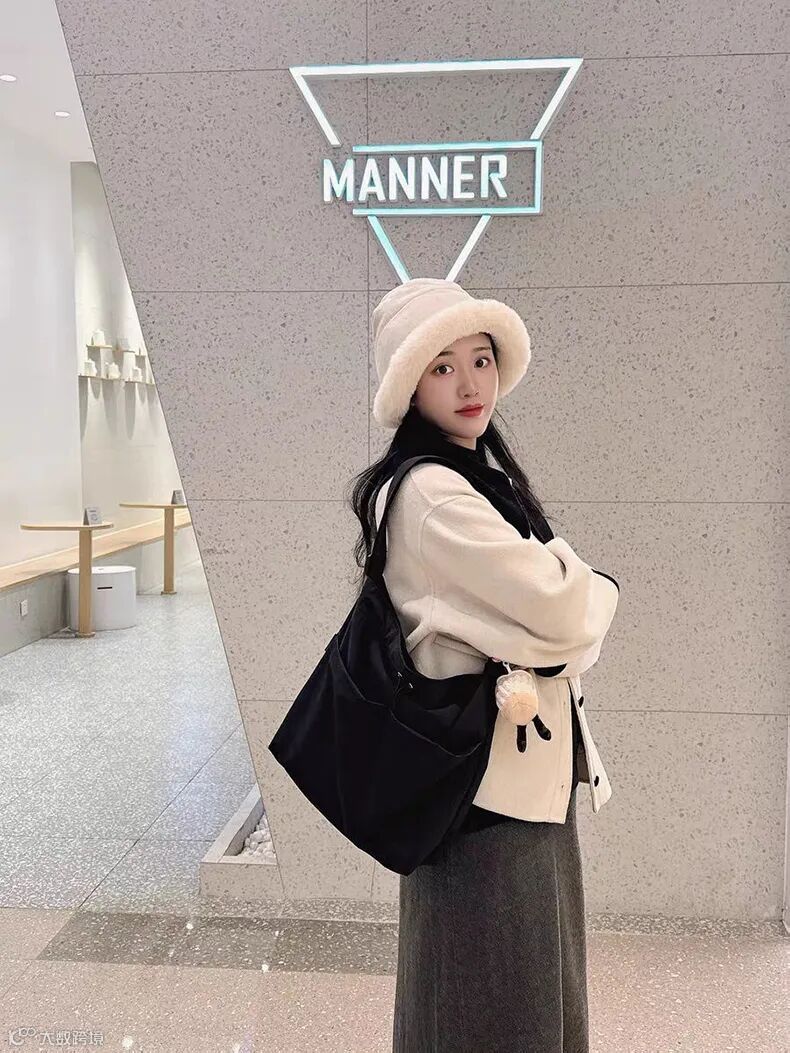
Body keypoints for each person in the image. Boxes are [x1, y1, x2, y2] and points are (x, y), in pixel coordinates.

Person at [346, 277, 621, 1053]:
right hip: (486, 802)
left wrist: (559, 618)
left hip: (508, 788)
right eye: (442, 367)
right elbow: (565, 611)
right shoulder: (434, 495)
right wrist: (591, 587)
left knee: (509, 1002)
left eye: (480, 359)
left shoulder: (470, 480)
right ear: (410, 385)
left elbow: (552, 625)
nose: (471, 384)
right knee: (499, 1011)